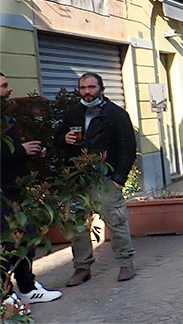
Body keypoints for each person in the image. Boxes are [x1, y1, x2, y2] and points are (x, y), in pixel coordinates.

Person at [56, 73, 137, 286]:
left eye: (91, 87)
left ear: (101, 89)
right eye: (83, 88)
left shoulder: (116, 115)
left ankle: (125, 263)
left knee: (117, 222)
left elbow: (128, 149)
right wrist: (63, 139)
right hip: (78, 180)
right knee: (77, 225)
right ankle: (82, 268)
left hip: (106, 179)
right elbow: (57, 139)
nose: (87, 92)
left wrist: (119, 179)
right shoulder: (73, 113)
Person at [1, 73, 62, 309]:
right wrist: (20, 151)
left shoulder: (7, 118)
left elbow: (13, 153)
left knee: (27, 234)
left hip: (16, 189)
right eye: (4, 86)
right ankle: (5, 295)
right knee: (6, 243)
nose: (9, 89)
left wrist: (32, 153)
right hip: (2, 194)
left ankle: (27, 287)